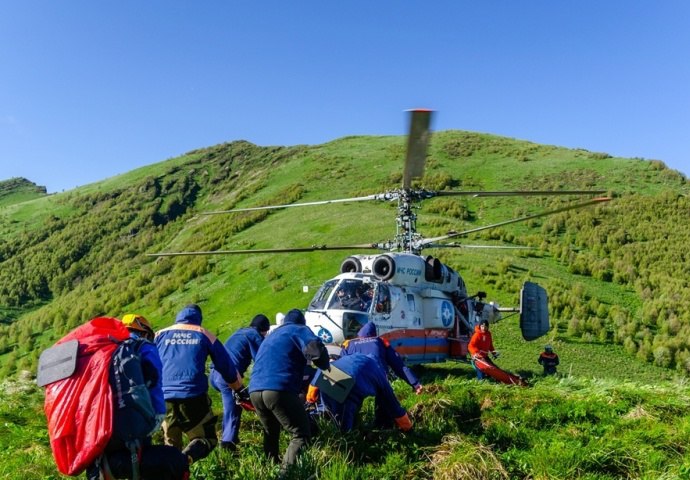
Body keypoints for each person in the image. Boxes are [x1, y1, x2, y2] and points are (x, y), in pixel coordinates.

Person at [155, 304, 243, 465]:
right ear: (198, 319)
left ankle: (173, 469)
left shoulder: (159, 334)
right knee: (206, 439)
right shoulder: (203, 334)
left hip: (164, 399)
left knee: (171, 446)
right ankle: (185, 460)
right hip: (192, 396)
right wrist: (237, 387)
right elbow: (225, 365)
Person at [248, 308, 330, 473]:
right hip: (278, 388)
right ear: (302, 322)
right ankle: (286, 475)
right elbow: (314, 349)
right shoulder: (299, 329)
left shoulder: (272, 335)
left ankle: (269, 469)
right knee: (300, 434)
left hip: (254, 390)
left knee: (271, 432)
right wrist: (325, 364)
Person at [306, 353, 413, 433]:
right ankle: (347, 446)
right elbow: (393, 406)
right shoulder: (379, 374)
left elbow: (324, 370)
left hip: (328, 376)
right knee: (344, 428)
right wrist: (408, 428)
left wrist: (312, 393)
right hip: (349, 384)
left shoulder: (352, 357)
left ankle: (308, 422)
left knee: (327, 410)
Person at [210, 313, 271, 451]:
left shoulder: (240, 332)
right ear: (264, 330)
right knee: (233, 410)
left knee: (235, 403)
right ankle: (228, 445)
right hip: (226, 376)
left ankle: (230, 438)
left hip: (214, 375)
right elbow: (262, 359)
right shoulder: (255, 335)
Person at [341, 321, 423, 395]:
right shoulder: (380, 341)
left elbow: (341, 367)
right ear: (374, 334)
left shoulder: (348, 344)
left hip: (355, 386)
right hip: (379, 383)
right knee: (389, 407)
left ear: (360, 334)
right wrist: (415, 383)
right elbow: (399, 366)